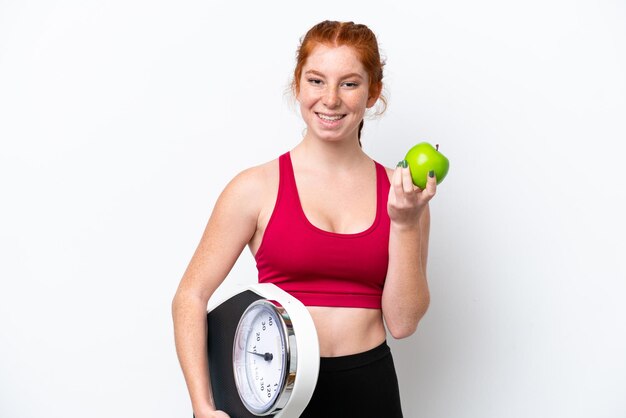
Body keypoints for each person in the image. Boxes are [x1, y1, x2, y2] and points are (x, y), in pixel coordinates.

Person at [172, 20, 437, 418]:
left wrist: (403, 223)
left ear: (372, 93)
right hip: (273, 391)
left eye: (349, 83)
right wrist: (202, 407)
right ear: (298, 86)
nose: (330, 99)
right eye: (316, 81)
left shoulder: (403, 196)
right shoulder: (254, 188)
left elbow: (402, 323)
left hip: (369, 388)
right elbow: (189, 297)